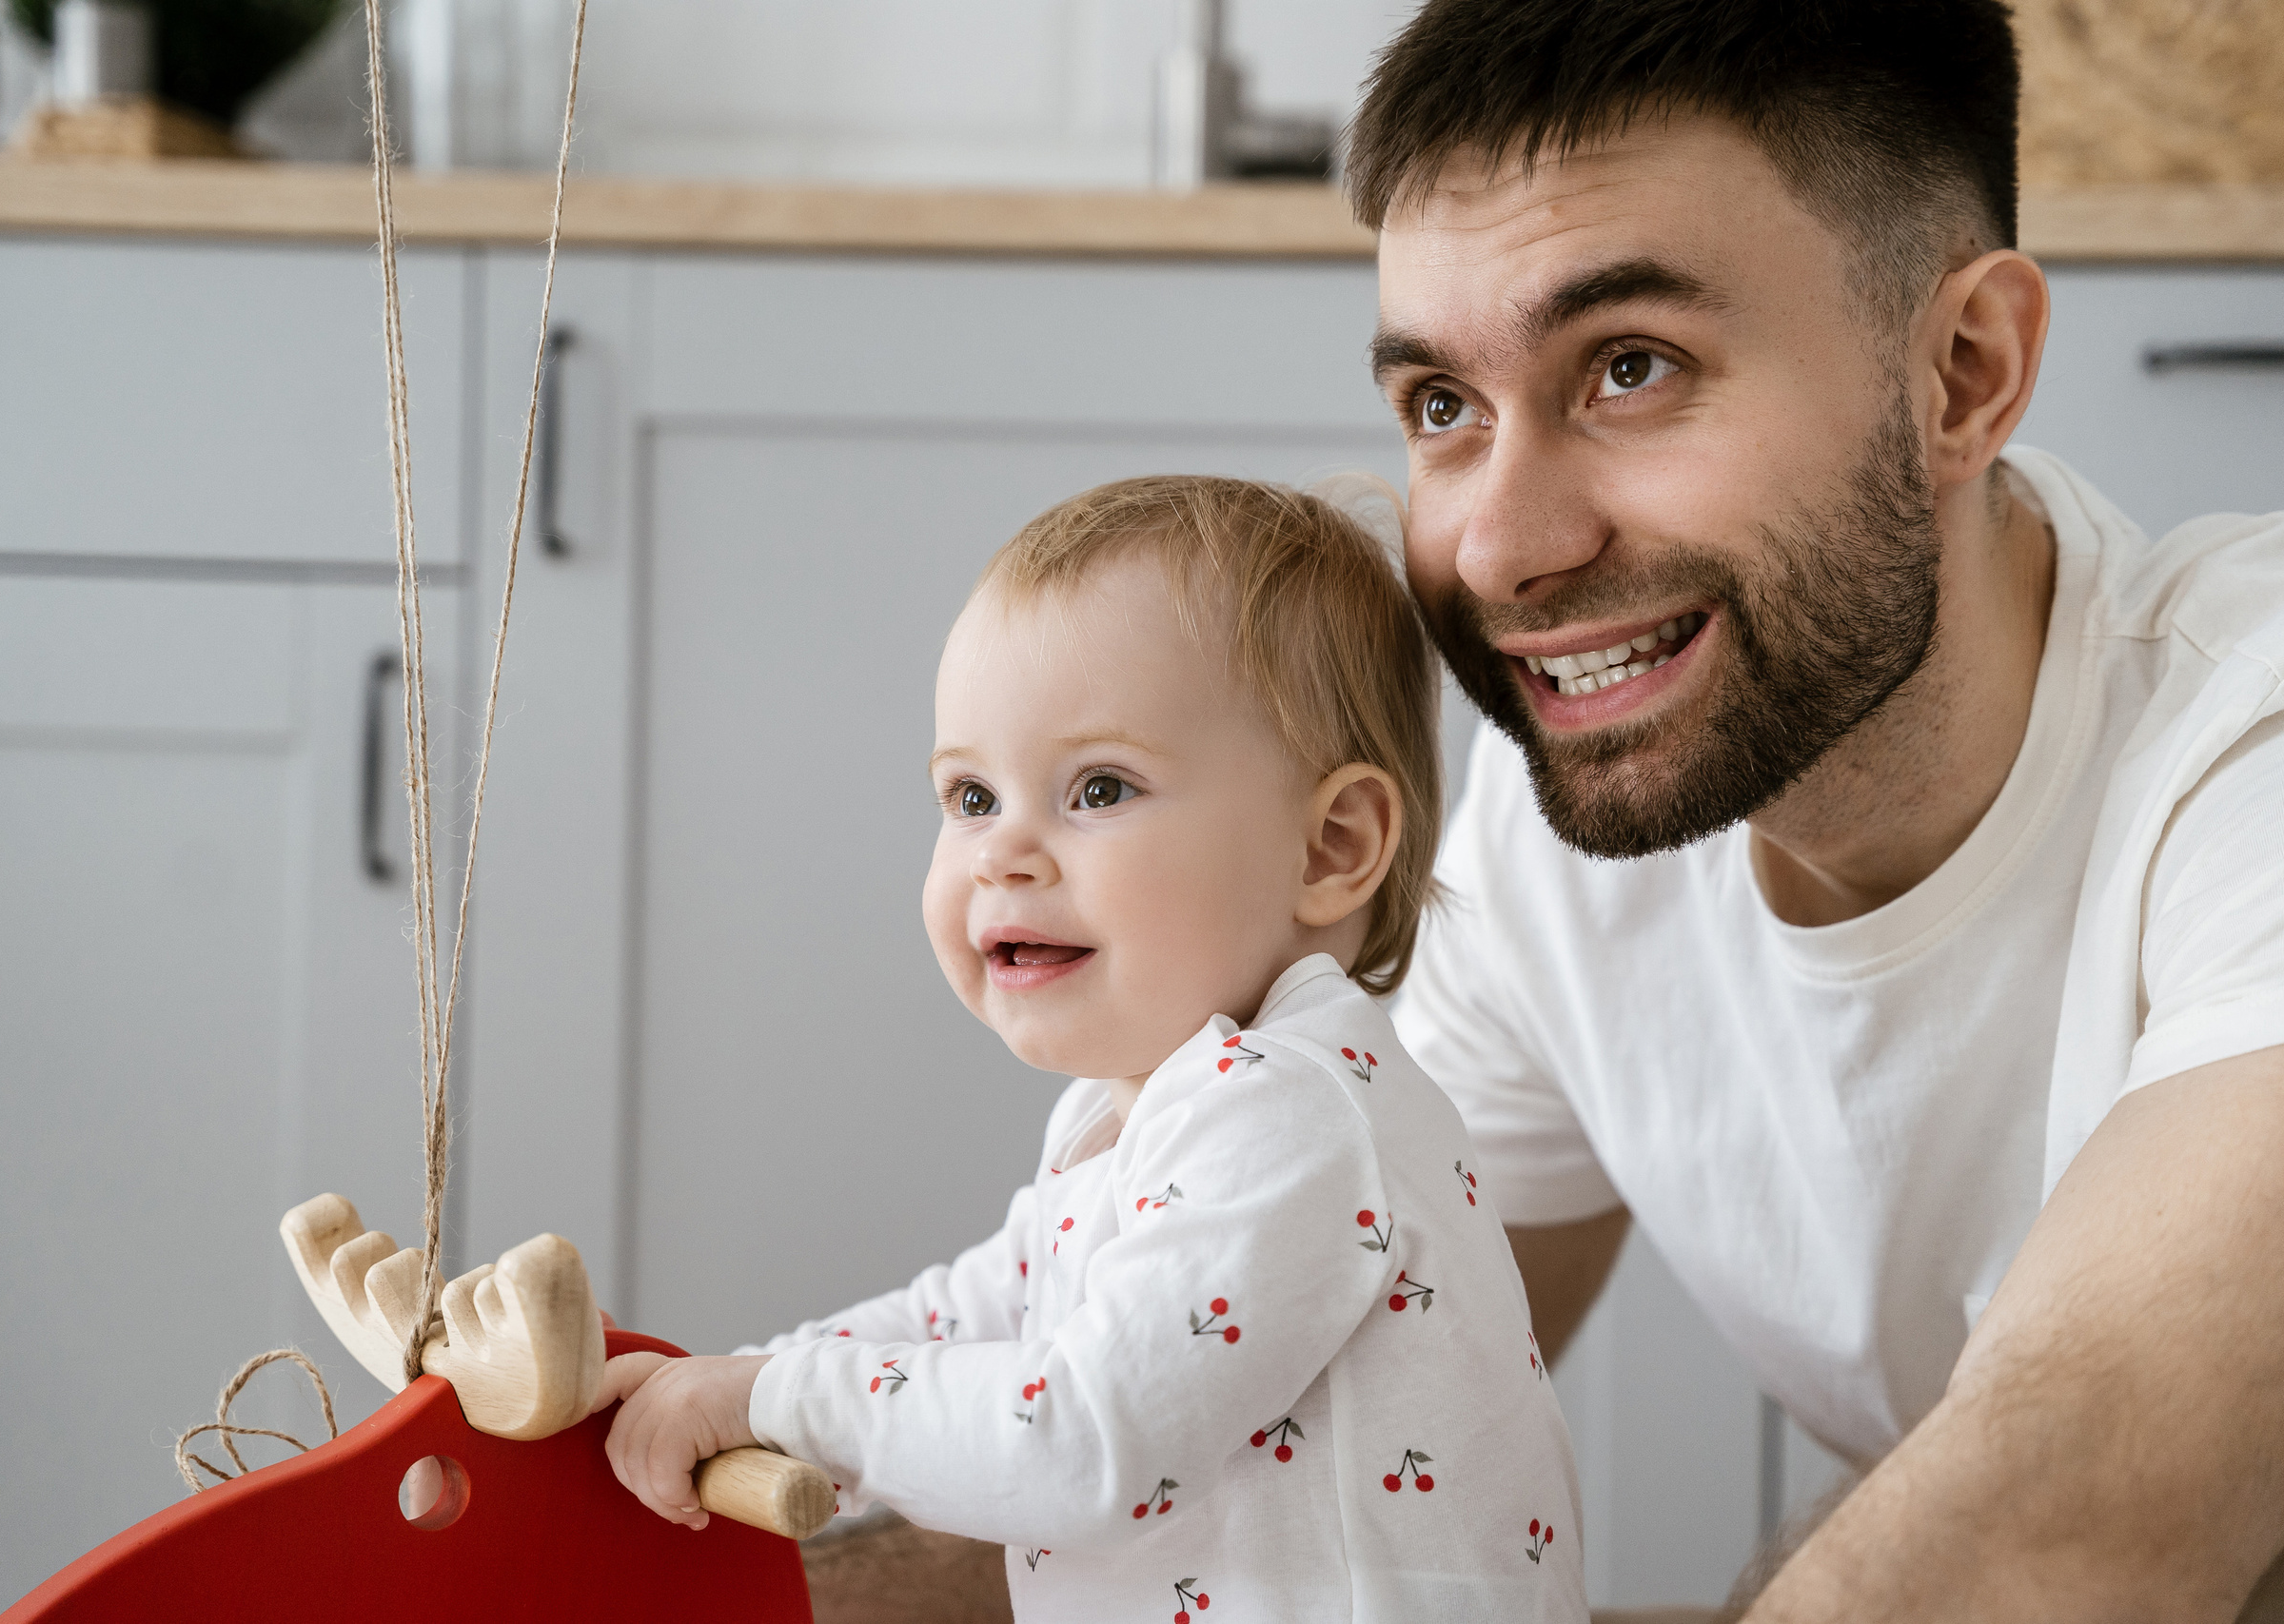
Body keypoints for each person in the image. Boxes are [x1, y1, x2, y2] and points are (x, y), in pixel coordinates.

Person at [1349, 0, 2284, 1618]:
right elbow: (1296, 1410)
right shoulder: (1564, 840)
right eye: (1443, 409)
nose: (1498, 548)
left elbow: (2055, 1543)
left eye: (1630, 369)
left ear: (1964, 373)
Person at [593, 476, 1591, 1623]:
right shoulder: (1151, 1107)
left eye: (1097, 788)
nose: (1000, 855)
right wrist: (715, 1382)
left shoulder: (1291, 1113)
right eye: (969, 795)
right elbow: (969, 1315)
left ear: (1329, 848)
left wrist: (775, 1398)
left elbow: (1074, 1442)